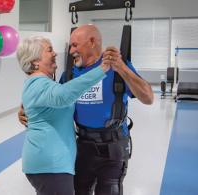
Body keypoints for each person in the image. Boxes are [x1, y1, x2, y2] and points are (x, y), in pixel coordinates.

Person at [19, 25, 154, 195]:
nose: (70, 51)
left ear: (91, 42)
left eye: (75, 45)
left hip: (112, 149)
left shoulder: (117, 67)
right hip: (82, 148)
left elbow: (148, 97)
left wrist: (121, 68)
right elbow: (52, 97)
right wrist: (25, 108)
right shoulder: (69, 74)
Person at [17, 36, 113, 195]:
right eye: (49, 50)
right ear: (35, 61)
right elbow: (63, 95)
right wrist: (102, 69)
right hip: (50, 164)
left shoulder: (42, 84)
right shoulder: (38, 84)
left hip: (52, 163)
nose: (55, 53)